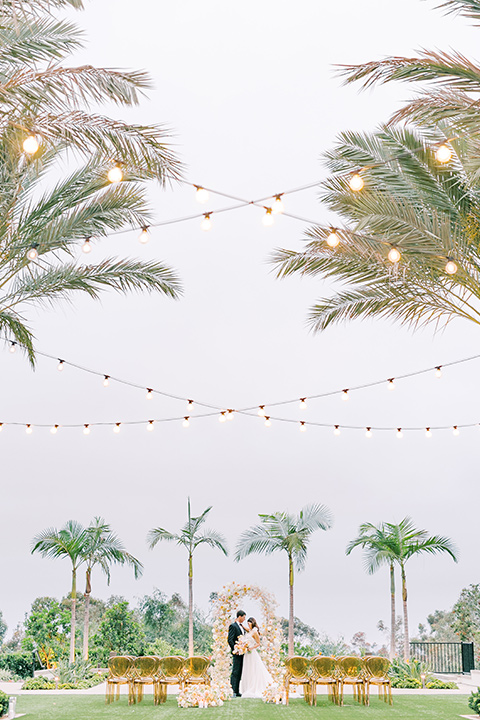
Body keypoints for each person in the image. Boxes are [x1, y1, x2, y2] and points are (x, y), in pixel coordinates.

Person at [239, 616, 273, 698]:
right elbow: (246, 629)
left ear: (252, 623)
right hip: (246, 653)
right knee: (247, 669)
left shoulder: (255, 632)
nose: (248, 625)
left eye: (249, 623)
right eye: (247, 623)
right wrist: (241, 625)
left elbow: (258, 643)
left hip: (252, 652)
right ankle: (247, 686)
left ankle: (254, 686)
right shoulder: (250, 631)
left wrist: (251, 647)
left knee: (253, 669)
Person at [228, 610, 246, 697]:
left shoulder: (242, 627)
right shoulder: (233, 626)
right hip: (237, 653)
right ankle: (232, 691)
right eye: (244, 617)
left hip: (242, 653)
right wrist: (235, 649)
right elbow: (230, 640)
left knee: (239, 672)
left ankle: (237, 690)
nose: (244, 619)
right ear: (239, 616)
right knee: (235, 671)